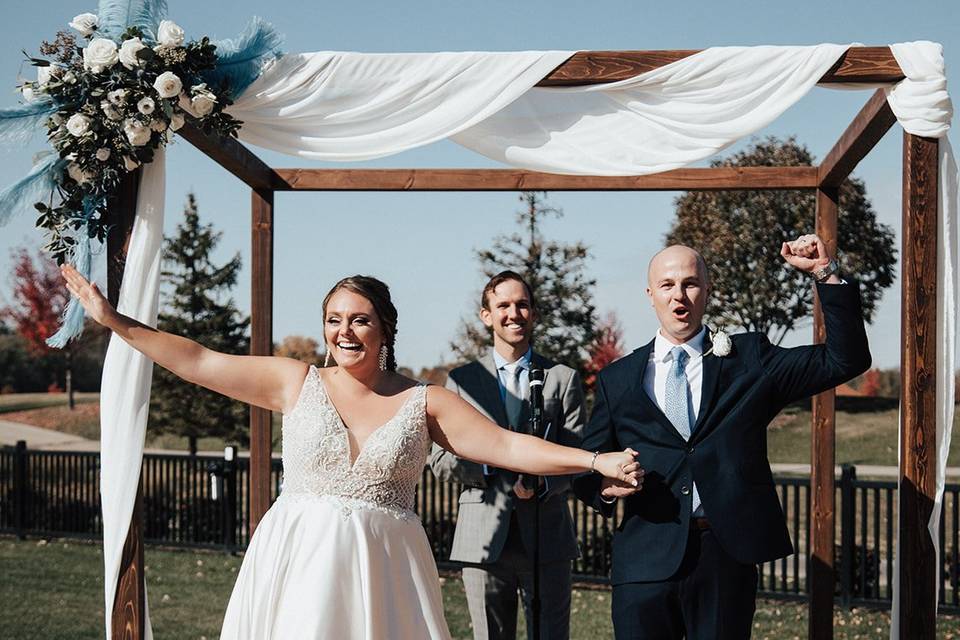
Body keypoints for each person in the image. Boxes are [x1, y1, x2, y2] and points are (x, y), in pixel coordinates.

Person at [60, 267, 641, 640]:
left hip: (385, 569)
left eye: (359, 320)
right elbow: (198, 360)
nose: (344, 331)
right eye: (334, 320)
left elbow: (508, 444)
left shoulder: (425, 401)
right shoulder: (294, 381)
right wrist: (115, 322)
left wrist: (595, 461)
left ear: (384, 330)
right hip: (299, 559)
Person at [572, 235, 871, 640]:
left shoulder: (749, 358)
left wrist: (824, 273)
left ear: (708, 290)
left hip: (724, 556)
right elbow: (585, 467)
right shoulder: (617, 378)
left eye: (691, 283)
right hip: (643, 560)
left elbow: (844, 359)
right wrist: (605, 488)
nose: (680, 295)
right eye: (667, 285)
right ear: (650, 294)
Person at [429, 271, 586, 640]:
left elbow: (579, 454)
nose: (513, 313)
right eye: (503, 305)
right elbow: (439, 459)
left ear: (533, 312)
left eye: (522, 304)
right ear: (487, 315)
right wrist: (490, 462)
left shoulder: (562, 378)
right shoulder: (461, 381)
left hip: (547, 536)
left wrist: (542, 480)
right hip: (481, 539)